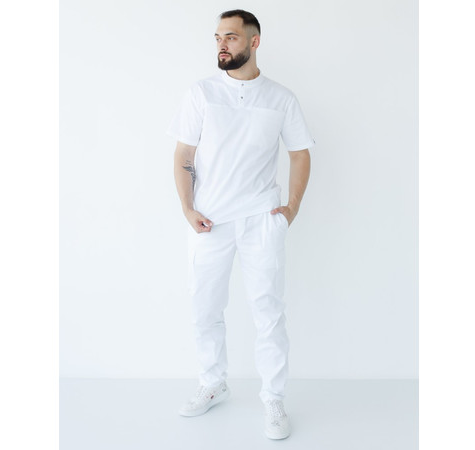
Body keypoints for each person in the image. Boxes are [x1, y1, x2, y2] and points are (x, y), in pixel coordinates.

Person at [166, 9, 314, 440]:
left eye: (230, 37)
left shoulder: (281, 99)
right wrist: (187, 208)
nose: (222, 44)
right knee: (204, 307)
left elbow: (300, 152)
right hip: (209, 220)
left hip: (261, 220)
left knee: (268, 312)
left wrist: (292, 208)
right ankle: (213, 383)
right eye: (217, 37)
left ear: (254, 41)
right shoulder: (202, 93)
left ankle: (274, 400)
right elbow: (183, 154)